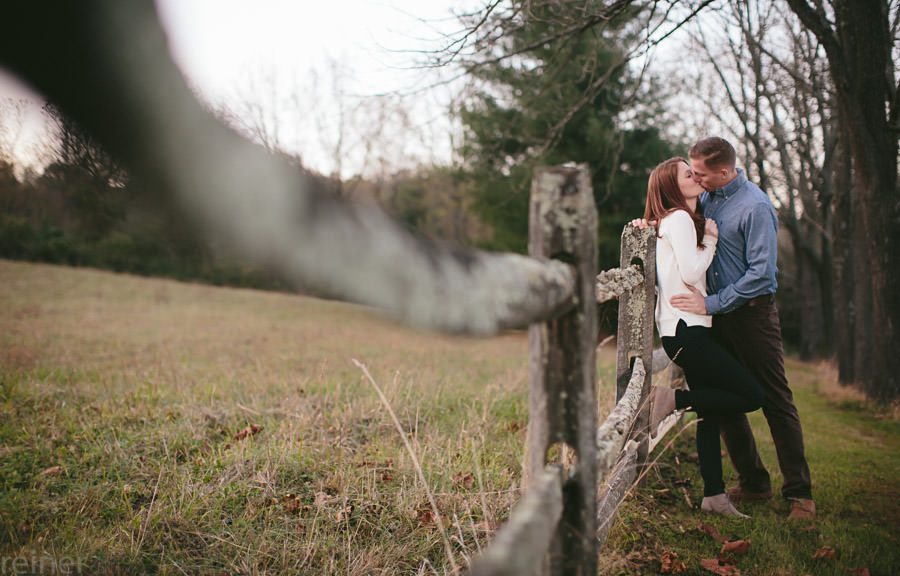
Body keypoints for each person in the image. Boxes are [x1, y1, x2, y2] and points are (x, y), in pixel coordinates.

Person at [670, 137, 815, 521]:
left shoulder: (756, 206)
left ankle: (800, 495)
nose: (695, 178)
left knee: (775, 401)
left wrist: (710, 303)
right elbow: (678, 215)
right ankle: (754, 483)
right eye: (692, 171)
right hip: (718, 320)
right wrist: (646, 221)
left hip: (752, 316)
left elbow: (762, 275)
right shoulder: (707, 196)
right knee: (726, 395)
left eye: (700, 173)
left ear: (723, 171)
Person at [639, 157, 764, 518]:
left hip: (686, 330)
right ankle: (672, 399)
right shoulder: (679, 220)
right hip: (686, 332)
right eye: (686, 173)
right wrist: (709, 240)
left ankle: (714, 496)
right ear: (672, 186)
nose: (694, 175)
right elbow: (693, 269)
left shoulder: (675, 221)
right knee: (751, 394)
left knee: (709, 414)